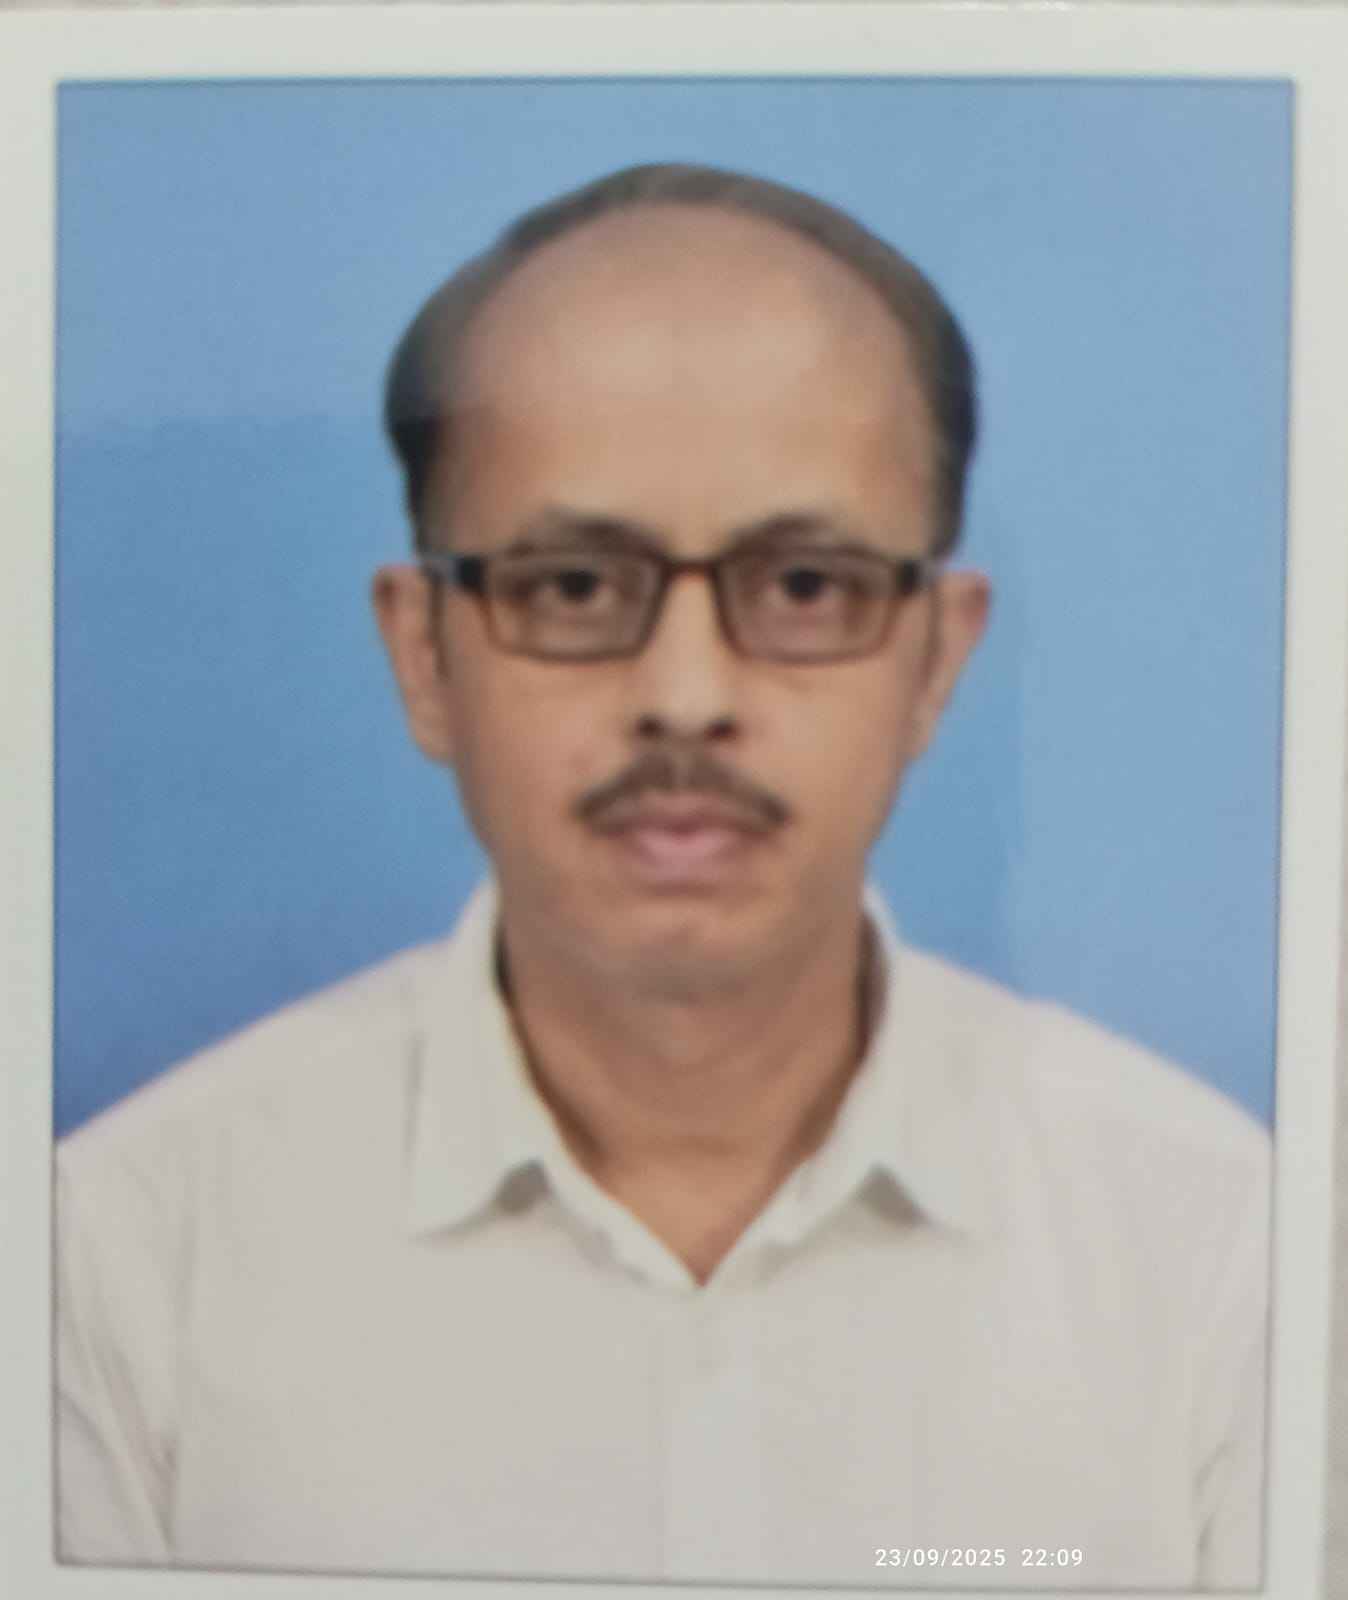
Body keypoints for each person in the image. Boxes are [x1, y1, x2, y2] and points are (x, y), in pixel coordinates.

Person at [55, 163, 1269, 1589]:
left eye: (805, 586)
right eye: (573, 586)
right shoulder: (120, 1258)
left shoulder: (1225, 1256)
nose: (686, 697)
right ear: (423, 653)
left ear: (936, 658)